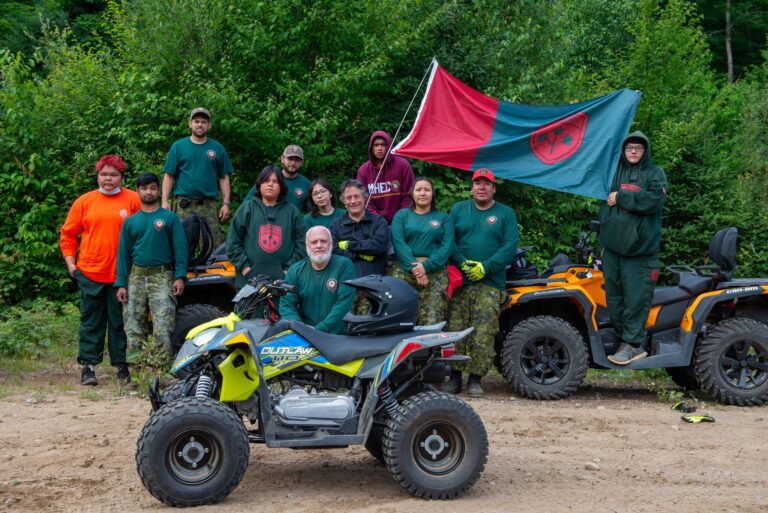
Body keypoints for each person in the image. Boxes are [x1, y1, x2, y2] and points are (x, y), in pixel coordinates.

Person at [59, 155, 141, 386]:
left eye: (113, 175)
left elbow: (143, 233)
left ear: (122, 178)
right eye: (104, 174)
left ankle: (123, 368)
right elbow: (67, 234)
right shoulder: (85, 201)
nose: (108, 179)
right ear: (97, 176)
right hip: (90, 272)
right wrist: (70, 263)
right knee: (91, 322)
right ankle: (88, 368)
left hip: (122, 275)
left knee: (120, 323)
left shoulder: (133, 201)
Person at [445, 169, 518, 398]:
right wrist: (464, 263)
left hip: (491, 283)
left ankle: (476, 379)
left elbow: (509, 247)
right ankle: (455, 377)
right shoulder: (458, 210)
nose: (482, 187)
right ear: (472, 187)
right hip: (460, 282)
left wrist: (485, 267)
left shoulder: (506, 214)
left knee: (483, 332)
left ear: (493, 188)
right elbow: (449, 242)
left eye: (487, 183)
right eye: (478, 183)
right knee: (456, 329)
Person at [599, 131, 667, 365]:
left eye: (639, 147)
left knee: (636, 300)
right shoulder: (614, 171)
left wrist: (621, 197)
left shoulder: (654, 173)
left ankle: (634, 345)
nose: (634, 151)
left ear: (645, 150)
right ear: (624, 151)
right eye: (630, 148)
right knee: (614, 300)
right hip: (613, 250)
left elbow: (654, 200)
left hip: (640, 253)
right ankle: (622, 341)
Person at [115, 173, 188, 366]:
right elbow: (123, 255)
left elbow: (181, 249)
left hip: (162, 277)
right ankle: (137, 371)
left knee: (163, 327)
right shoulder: (131, 222)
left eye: (153, 188)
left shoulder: (169, 218)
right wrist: (121, 283)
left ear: (158, 190)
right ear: (137, 190)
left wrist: (180, 276)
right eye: (144, 188)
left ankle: (159, 372)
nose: (149, 192)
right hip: (136, 278)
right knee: (133, 327)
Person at [227, 165, 307, 291]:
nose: (270, 184)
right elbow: (232, 242)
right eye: (266, 180)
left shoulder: (292, 212)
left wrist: (288, 271)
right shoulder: (247, 208)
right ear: (260, 184)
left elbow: (302, 244)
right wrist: (245, 268)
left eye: (275, 181)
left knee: (283, 311)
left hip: (283, 283)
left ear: (281, 186)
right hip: (249, 281)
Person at [162, 107, 234, 246]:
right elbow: (169, 175)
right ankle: (181, 269)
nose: (200, 124)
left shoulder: (217, 148)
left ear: (209, 125)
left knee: (213, 246)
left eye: (203, 122)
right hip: (184, 205)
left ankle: (212, 269)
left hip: (208, 205)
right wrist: (165, 201)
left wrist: (226, 203)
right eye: (196, 121)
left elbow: (223, 178)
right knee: (179, 244)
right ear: (190, 124)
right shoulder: (179, 146)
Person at [390, 177, 453, 325]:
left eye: (427, 190)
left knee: (432, 318)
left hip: (434, 271)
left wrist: (426, 266)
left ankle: (431, 348)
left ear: (433, 194)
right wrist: (415, 268)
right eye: (418, 190)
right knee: (399, 316)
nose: (422, 193)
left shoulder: (443, 218)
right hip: (404, 270)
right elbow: (399, 243)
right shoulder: (402, 215)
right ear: (412, 193)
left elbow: (447, 246)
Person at [280, 226, 356, 334]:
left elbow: (344, 304)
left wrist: (319, 329)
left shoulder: (344, 265)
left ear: (330, 243)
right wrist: (300, 329)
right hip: (303, 336)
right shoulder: (294, 270)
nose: (319, 245)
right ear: (307, 245)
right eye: (314, 242)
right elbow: (286, 305)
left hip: (337, 337)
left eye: (323, 241)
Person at [329, 179, 389, 278]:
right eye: (348, 198)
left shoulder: (379, 221)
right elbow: (332, 249)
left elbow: (378, 247)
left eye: (356, 196)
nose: (353, 201)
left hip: (376, 280)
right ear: (343, 201)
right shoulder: (336, 225)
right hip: (346, 280)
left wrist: (348, 244)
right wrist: (359, 254)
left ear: (364, 198)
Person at [356, 130, 414, 223]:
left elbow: (408, 195)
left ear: (389, 146)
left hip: (402, 219)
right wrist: (378, 221)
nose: (380, 148)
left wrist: (401, 218)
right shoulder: (363, 171)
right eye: (376, 145)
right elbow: (365, 200)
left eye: (383, 144)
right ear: (371, 147)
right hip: (374, 222)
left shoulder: (403, 165)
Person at [245, 145, 311, 212]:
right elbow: (246, 205)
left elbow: (313, 212)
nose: (293, 163)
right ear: (282, 159)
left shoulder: (306, 184)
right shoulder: (269, 179)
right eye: (290, 159)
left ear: (302, 162)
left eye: (297, 160)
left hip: (292, 221)